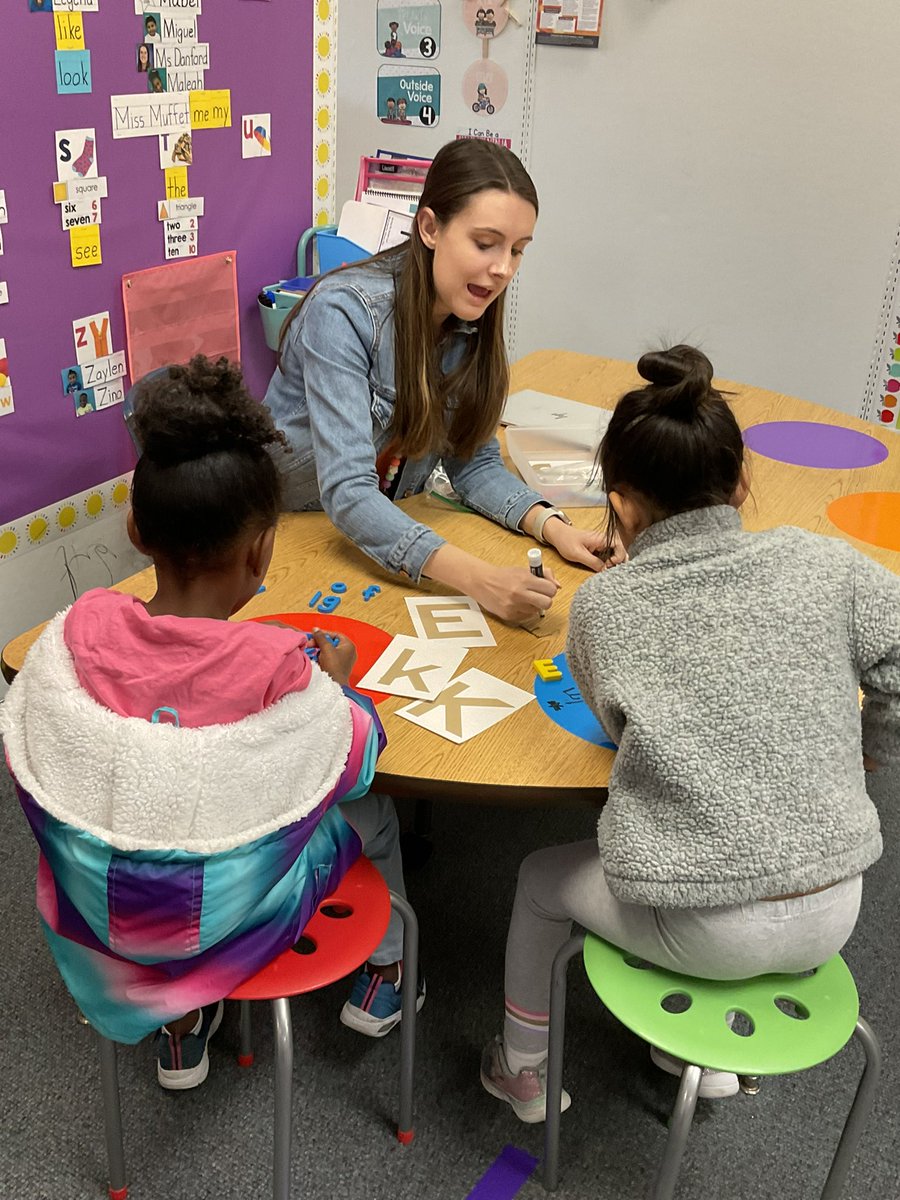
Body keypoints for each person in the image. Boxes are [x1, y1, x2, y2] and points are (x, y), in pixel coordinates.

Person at [481, 344, 899, 1122]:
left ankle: (520, 1067)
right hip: (836, 911)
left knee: (540, 879)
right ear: (742, 483)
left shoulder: (606, 608)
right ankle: (702, 1057)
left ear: (623, 506)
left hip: (705, 925)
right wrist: (874, 744)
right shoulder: (823, 563)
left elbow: (614, 724)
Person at [1, 355, 418, 1092]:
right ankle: (387, 965)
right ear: (261, 551)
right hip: (222, 928)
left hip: (97, 922)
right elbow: (352, 762)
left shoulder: (81, 630)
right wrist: (341, 688)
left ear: (135, 528)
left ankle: (182, 1029)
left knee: (152, 822)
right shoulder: (279, 664)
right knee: (375, 814)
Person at [264, 139, 615, 628]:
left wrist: (552, 527)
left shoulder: (468, 319)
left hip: (385, 532)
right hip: (290, 534)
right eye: (485, 243)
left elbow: (471, 463)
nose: (503, 269)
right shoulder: (343, 310)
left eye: (517, 250)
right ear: (430, 227)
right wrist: (482, 581)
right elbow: (347, 491)